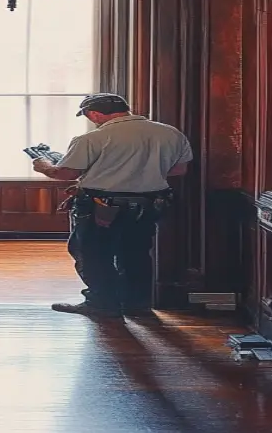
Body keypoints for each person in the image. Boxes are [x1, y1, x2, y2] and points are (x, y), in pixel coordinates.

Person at [32, 93, 191, 319]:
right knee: (136, 253)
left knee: (93, 253)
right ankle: (137, 305)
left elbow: (65, 172)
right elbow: (178, 170)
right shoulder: (170, 133)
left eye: (88, 115)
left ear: (95, 113)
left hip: (101, 206)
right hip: (148, 205)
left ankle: (102, 303)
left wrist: (44, 166)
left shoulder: (92, 138)